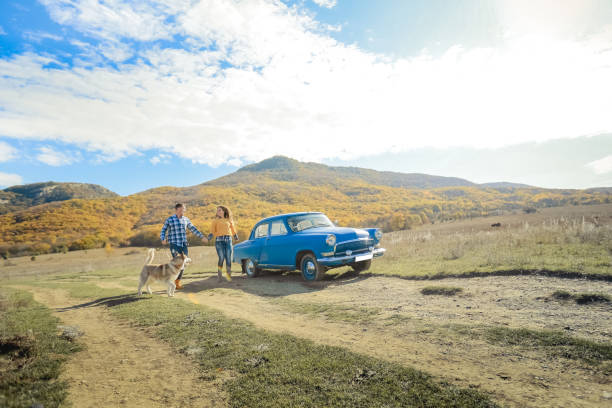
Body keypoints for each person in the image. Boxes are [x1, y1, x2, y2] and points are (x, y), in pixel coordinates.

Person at [160, 203, 206, 289]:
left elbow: (193, 229)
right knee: (177, 263)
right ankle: (171, 281)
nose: (183, 211)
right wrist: (163, 238)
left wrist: (201, 236)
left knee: (184, 263)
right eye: (181, 209)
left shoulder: (186, 219)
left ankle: (177, 282)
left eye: (184, 209)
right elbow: (163, 230)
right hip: (174, 244)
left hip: (184, 244)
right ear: (176, 210)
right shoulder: (170, 219)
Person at [209, 205, 238, 282]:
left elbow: (233, 229)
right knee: (221, 258)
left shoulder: (229, 220)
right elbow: (212, 231)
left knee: (228, 258)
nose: (218, 212)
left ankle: (228, 276)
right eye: (217, 210)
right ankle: (220, 276)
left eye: (219, 210)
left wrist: (235, 236)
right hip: (219, 241)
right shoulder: (215, 221)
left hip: (228, 240)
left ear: (224, 211)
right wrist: (208, 238)